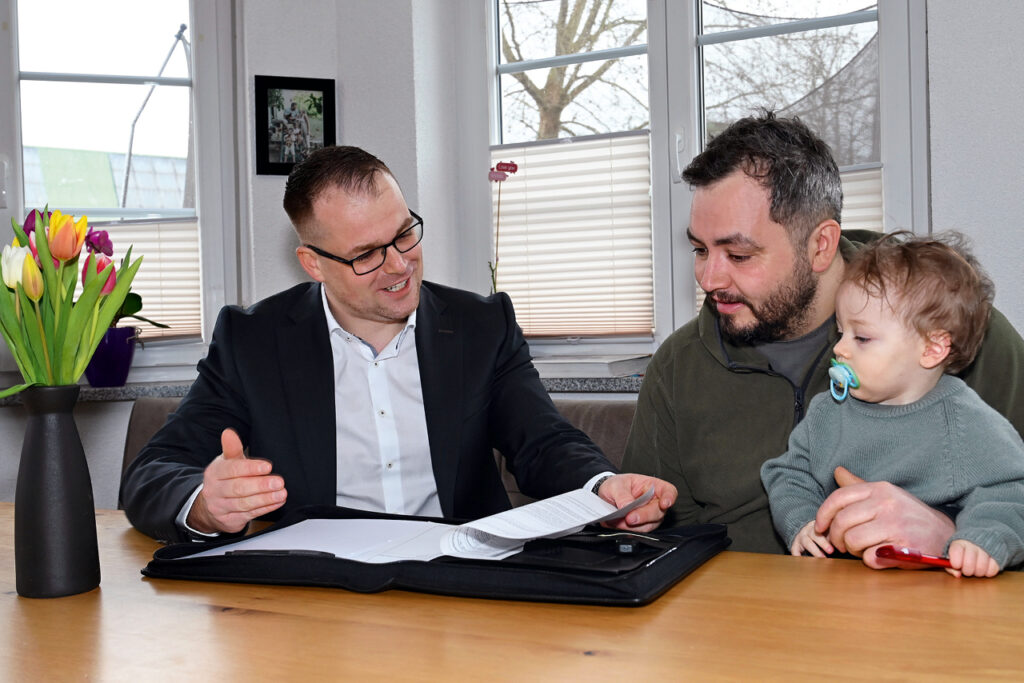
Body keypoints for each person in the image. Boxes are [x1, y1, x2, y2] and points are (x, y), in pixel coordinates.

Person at [121, 145, 676, 543]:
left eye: (405, 233)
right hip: (316, 594)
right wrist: (205, 503)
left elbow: (541, 441)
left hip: (463, 581)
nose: (399, 265)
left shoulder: (482, 326)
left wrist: (601, 487)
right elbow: (153, 472)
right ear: (313, 263)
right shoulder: (252, 342)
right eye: (366, 254)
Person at [621, 111, 1024, 567]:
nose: (708, 278)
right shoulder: (679, 367)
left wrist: (949, 532)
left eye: (738, 253)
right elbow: (657, 546)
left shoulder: (959, 333)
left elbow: (1014, 493)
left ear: (820, 245)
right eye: (700, 249)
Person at [760, 233, 1024, 576]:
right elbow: (788, 474)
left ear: (932, 349)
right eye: (840, 332)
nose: (840, 348)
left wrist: (983, 538)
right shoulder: (827, 411)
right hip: (843, 591)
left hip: (936, 597)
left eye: (862, 337)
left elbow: (1012, 490)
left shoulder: (962, 419)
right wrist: (803, 522)